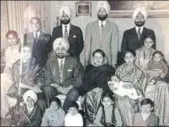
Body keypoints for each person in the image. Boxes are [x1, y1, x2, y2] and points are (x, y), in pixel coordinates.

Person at [43, 37, 84, 110]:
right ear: (55, 50)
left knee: (74, 93)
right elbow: (47, 79)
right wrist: (58, 87)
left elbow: (79, 79)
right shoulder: (49, 62)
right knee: (47, 89)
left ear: (66, 49)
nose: (60, 51)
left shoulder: (74, 61)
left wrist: (69, 88)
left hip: (70, 88)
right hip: (55, 88)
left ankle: (64, 113)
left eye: (62, 49)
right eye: (58, 49)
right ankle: (50, 112)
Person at [6, 45, 46, 114]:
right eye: (24, 51)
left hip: (34, 87)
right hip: (21, 88)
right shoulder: (16, 65)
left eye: (28, 52)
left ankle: (37, 120)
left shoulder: (35, 63)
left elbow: (40, 77)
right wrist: (32, 88)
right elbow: (18, 83)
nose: (26, 54)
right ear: (20, 53)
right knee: (23, 102)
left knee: (41, 101)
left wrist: (38, 86)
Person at [114, 49, 146, 126]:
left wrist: (131, 86)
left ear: (134, 57)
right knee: (122, 101)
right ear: (124, 59)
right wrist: (121, 85)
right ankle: (126, 124)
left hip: (133, 93)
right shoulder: (119, 69)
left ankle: (130, 124)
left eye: (130, 57)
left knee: (127, 101)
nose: (129, 59)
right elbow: (115, 82)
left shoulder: (139, 72)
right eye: (126, 57)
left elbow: (139, 86)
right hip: (120, 92)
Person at [84, 1, 119, 67]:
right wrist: (86, 60)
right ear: (97, 12)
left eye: (104, 11)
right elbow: (87, 45)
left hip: (107, 60)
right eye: (100, 11)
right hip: (93, 60)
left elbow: (114, 46)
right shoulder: (90, 26)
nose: (102, 13)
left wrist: (114, 62)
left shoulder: (114, 27)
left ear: (107, 12)